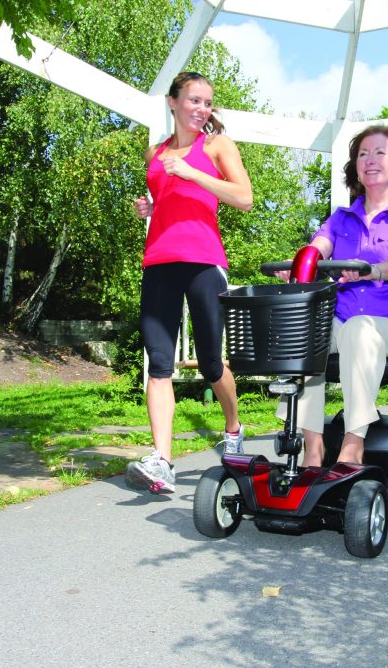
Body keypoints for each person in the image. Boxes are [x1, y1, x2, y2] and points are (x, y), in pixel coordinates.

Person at [125, 72, 253, 494]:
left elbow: (244, 198)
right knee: (159, 362)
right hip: (159, 261)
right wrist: (150, 207)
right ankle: (162, 460)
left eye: (207, 102)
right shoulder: (156, 153)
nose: (201, 108)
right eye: (194, 100)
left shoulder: (216, 146)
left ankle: (232, 427)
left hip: (204, 261)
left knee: (212, 362)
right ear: (173, 102)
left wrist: (193, 173)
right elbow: (170, 199)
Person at [278, 125, 388, 468]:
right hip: (346, 322)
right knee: (307, 330)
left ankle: (353, 443)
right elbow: (317, 248)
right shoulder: (340, 219)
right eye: (363, 154)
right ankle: (313, 446)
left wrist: (373, 271)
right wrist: (298, 265)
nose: (370, 159)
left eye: (379, 152)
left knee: (361, 328)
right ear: (356, 168)